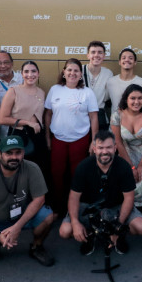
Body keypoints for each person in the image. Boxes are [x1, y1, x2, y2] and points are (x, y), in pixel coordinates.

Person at [0, 135, 56, 266]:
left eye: (18, 153)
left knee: (47, 216)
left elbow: (39, 199)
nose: (14, 157)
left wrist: (17, 227)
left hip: (21, 218)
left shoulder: (32, 168)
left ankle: (37, 247)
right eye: (9, 153)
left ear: (23, 153)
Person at [58, 131, 142, 255]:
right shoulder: (83, 167)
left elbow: (129, 198)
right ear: (94, 149)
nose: (105, 151)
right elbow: (74, 197)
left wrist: (118, 227)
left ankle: (119, 236)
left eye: (109, 147)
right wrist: (75, 222)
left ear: (115, 148)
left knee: (141, 227)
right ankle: (89, 237)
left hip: (116, 206)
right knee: (65, 230)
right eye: (100, 148)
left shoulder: (124, 167)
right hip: (89, 208)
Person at [44, 58, 99, 215]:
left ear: (81, 74)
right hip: (59, 139)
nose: (72, 73)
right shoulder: (55, 89)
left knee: (78, 174)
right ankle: (59, 208)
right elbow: (48, 114)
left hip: (80, 140)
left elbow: (94, 117)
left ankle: (76, 209)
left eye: (76, 70)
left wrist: (94, 141)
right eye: (69, 70)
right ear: (64, 72)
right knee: (57, 174)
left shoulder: (87, 92)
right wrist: (48, 137)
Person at [110, 84, 142, 208]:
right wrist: (132, 167)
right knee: (131, 183)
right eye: (133, 98)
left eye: (140, 98)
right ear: (126, 99)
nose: (136, 102)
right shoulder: (117, 116)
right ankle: (129, 212)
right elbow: (118, 142)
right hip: (127, 153)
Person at [0, 60, 49, 180]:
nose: (30, 75)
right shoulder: (13, 91)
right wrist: (27, 122)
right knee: (19, 173)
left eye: (33, 71)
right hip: (19, 136)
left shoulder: (41, 92)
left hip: (37, 136)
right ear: (21, 74)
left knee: (39, 171)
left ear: (38, 73)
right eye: (26, 71)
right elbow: (2, 119)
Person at [0, 50, 23, 143]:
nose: (2, 66)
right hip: (2, 132)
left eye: (6, 62)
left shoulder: (23, 79)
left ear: (12, 63)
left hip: (22, 129)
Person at [83, 41, 114, 131]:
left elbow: (107, 97)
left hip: (99, 116)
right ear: (88, 55)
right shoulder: (79, 70)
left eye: (100, 52)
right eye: (93, 52)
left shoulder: (108, 73)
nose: (96, 55)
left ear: (104, 56)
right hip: (81, 116)